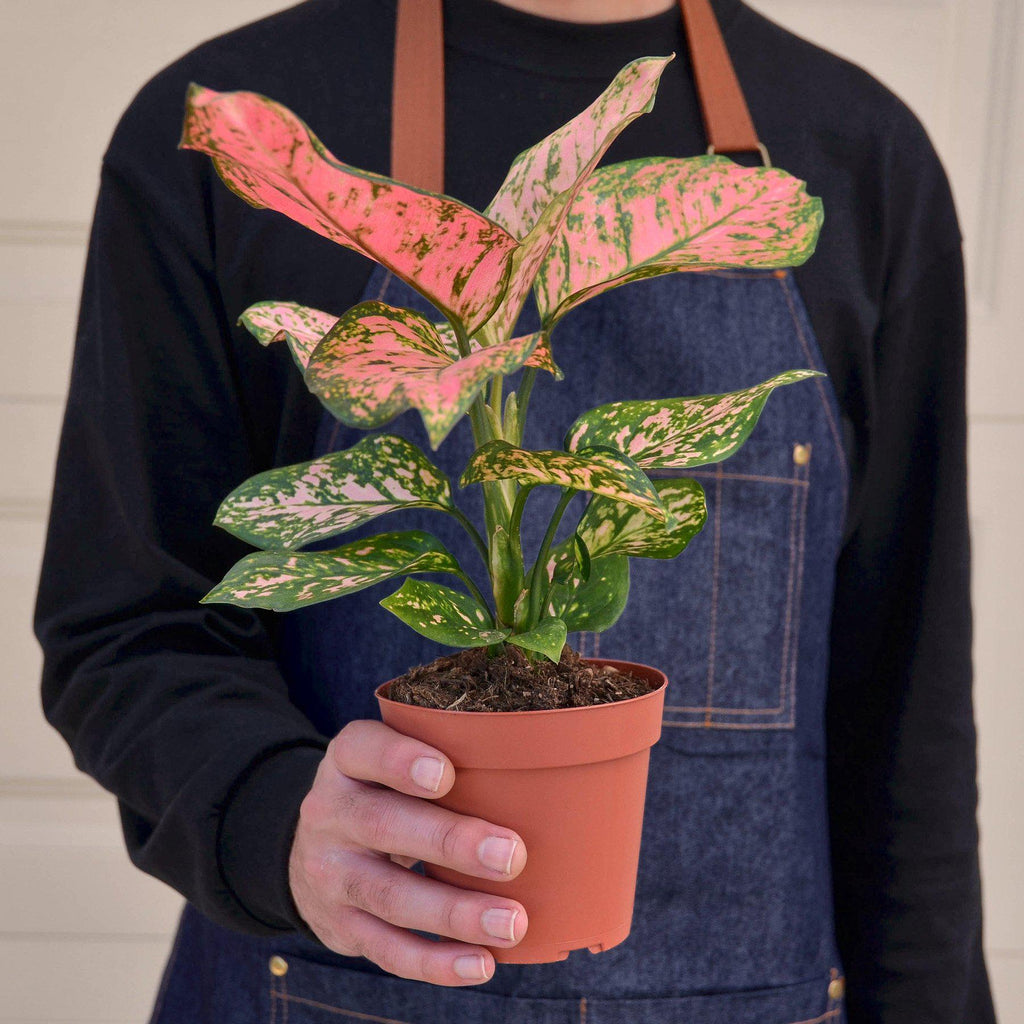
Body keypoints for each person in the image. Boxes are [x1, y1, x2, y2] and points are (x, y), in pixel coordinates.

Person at [34, 0, 996, 1021]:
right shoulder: (241, 136)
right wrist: (274, 821)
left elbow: (905, 709)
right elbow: (128, 619)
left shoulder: (857, 154)